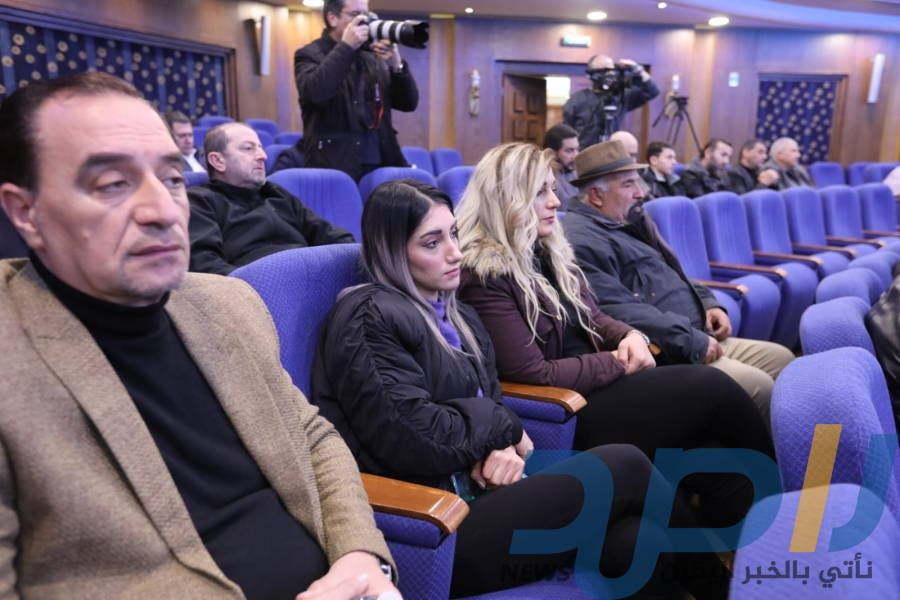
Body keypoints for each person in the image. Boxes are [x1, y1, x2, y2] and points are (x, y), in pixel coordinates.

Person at [0, 72, 397, 600]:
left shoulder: (228, 303)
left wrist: (360, 557)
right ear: (25, 212)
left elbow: (312, 437)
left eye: (171, 179)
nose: (164, 211)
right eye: (112, 184)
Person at [311, 179, 731, 599]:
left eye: (453, 234)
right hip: (434, 524)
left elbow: (488, 399)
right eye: (432, 243)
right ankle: (731, 593)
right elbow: (414, 437)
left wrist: (502, 451)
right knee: (626, 465)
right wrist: (504, 429)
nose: (455, 252)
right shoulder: (367, 316)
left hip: (484, 491)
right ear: (392, 251)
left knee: (636, 541)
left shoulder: (459, 315)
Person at [456, 142, 776, 532]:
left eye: (553, 188)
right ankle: (783, 507)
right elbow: (532, 372)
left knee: (716, 458)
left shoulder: (548, 249)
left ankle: (751, 542)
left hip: (599, 387)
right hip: (565, 413)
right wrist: (617, 362)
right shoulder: (485, 274)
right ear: (507, 200)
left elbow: (595, 316)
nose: (556, 201)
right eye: (541, 192)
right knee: (713, 387)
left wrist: (629, 335)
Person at [563, 140, 794, 423]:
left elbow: (673, 273)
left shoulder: (629, 222)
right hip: (669, 349)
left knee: (784, 361)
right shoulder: (580, 240)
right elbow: (616, 310)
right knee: (760, 386)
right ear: (596, 195)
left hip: (694, 333)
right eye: (628, 184)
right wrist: (691, 340)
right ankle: (774, 453)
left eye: (638, 182)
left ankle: (802, 445)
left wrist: (708, 302)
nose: (640, 192)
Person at [188, 122, 354, 275]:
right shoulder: (201, 201)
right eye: (248, 148)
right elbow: (206, 265)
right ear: (218, 161)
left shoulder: (276, 194)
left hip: (310, 277)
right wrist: (254, 286)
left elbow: (330, 235)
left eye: (260, 147)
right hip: (256, 288)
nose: (263, 156)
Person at [294, 0, 419, 181]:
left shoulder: (371, 55)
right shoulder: (309, 54)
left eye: (366, 14)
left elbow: (408, 103)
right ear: (333, 18)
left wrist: (397, 66)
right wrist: (346, 47)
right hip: (334, 164)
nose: (364, 21)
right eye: (356, 14)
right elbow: (316, 94)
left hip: (380, 163)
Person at [563, 55, 659, 149]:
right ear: (592, 74)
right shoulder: (577, 99)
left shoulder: (621, 96)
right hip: (585, 154)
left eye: (612, 70)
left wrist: (639, 70)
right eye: (605, 70)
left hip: (613, 153)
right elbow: (566, 132)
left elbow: (653, 91)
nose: (610, 74)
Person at [542, 123, 579, 210]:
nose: (575, 156)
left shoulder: (576, 173)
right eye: (569, 150)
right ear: (551, 153)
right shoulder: (544, 180)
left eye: (577, 149)